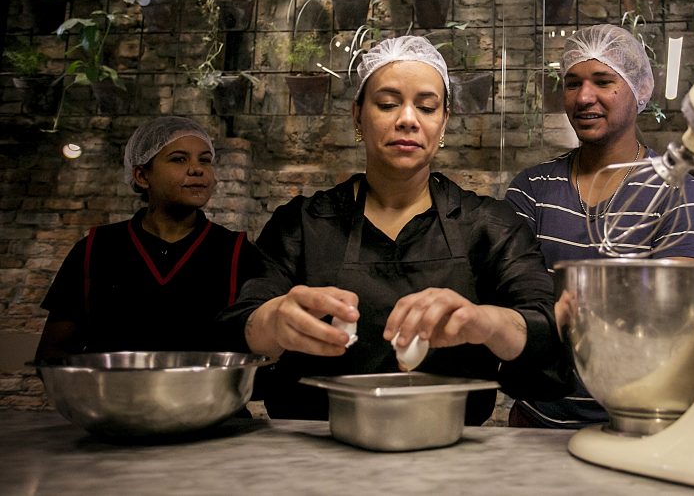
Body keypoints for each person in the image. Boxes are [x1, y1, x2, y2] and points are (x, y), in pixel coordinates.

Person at [219, 36, 567, 421]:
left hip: (454, 452)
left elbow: (547, 335)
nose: (407, 118)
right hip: (313, 451)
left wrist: (488, 322)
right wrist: (272, 323)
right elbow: (234, 335)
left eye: (427, 106)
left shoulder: (490, 226)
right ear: (357, 116)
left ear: (444, 121)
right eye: (387, 104)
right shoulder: (301, 225)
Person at [503, 24, 694, 428]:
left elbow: (677, 315)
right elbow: (515, 300)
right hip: (536, 420)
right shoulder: (531, 189)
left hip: (637, 424)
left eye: (603, 81)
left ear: (638, 89)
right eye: (572, 83)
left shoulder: (678, 193)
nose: (584, 97)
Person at [36, 116, 262, 359]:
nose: (197, 169)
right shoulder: (97, 248)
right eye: (179, 159)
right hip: (113, 395)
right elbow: (53, 351)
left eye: (205, 160)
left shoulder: (236, 252)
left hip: (204, 395)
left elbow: (255, 348)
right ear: (142, 176)